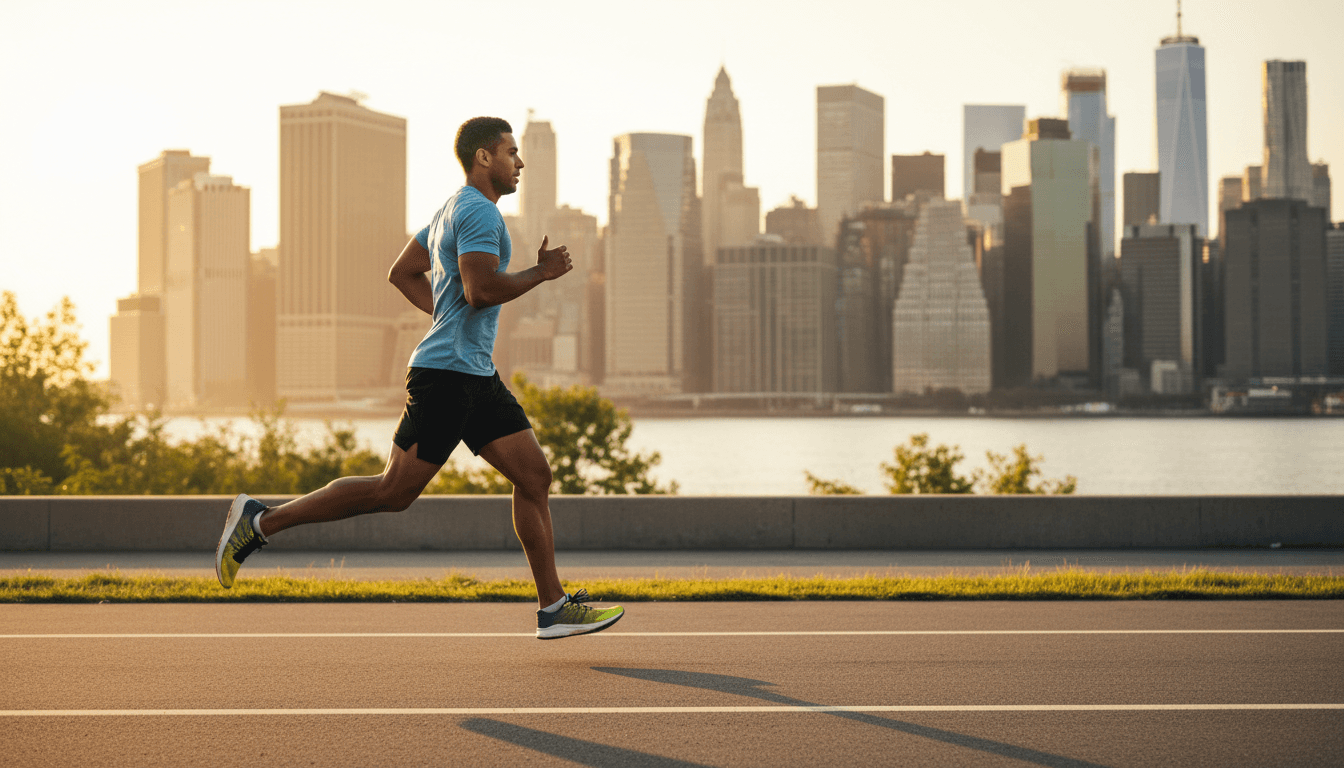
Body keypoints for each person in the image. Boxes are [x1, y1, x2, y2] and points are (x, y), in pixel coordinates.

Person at [215, 116, 623, 640]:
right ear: (483, 158)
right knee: (393, 491)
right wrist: (539, 274)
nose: (519, 163)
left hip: (474, 373)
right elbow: (480, 291)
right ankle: (259, 522)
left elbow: (402, 271)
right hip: (447, 377)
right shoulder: (479, 213)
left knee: (534, 477)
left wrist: (445, 319)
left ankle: (553, 608)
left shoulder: (451, 208)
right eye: (511, 152)